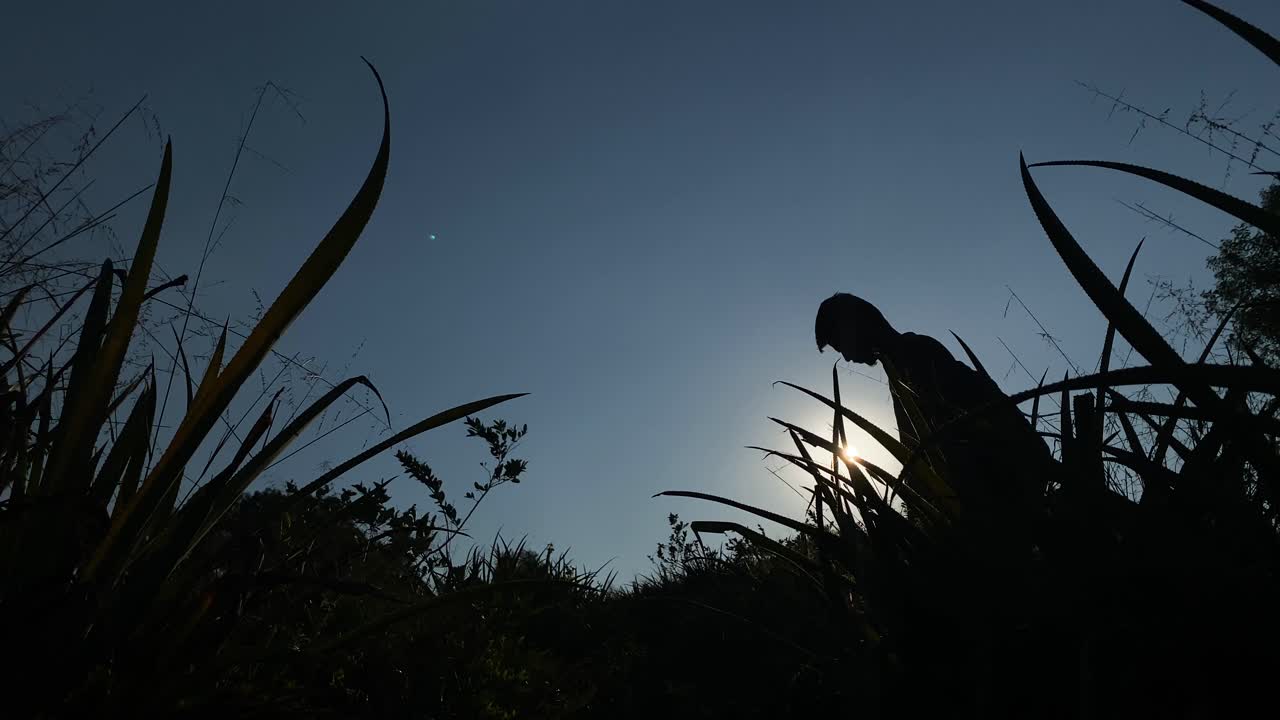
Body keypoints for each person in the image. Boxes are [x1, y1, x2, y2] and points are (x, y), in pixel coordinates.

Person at [814, 293, 1048, 529]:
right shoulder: (901, 365)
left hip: (1002, 488)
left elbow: (951, 436)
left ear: (857, 325)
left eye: (841, 344)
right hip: (994, 489)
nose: (846, 356)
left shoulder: (916, 354)